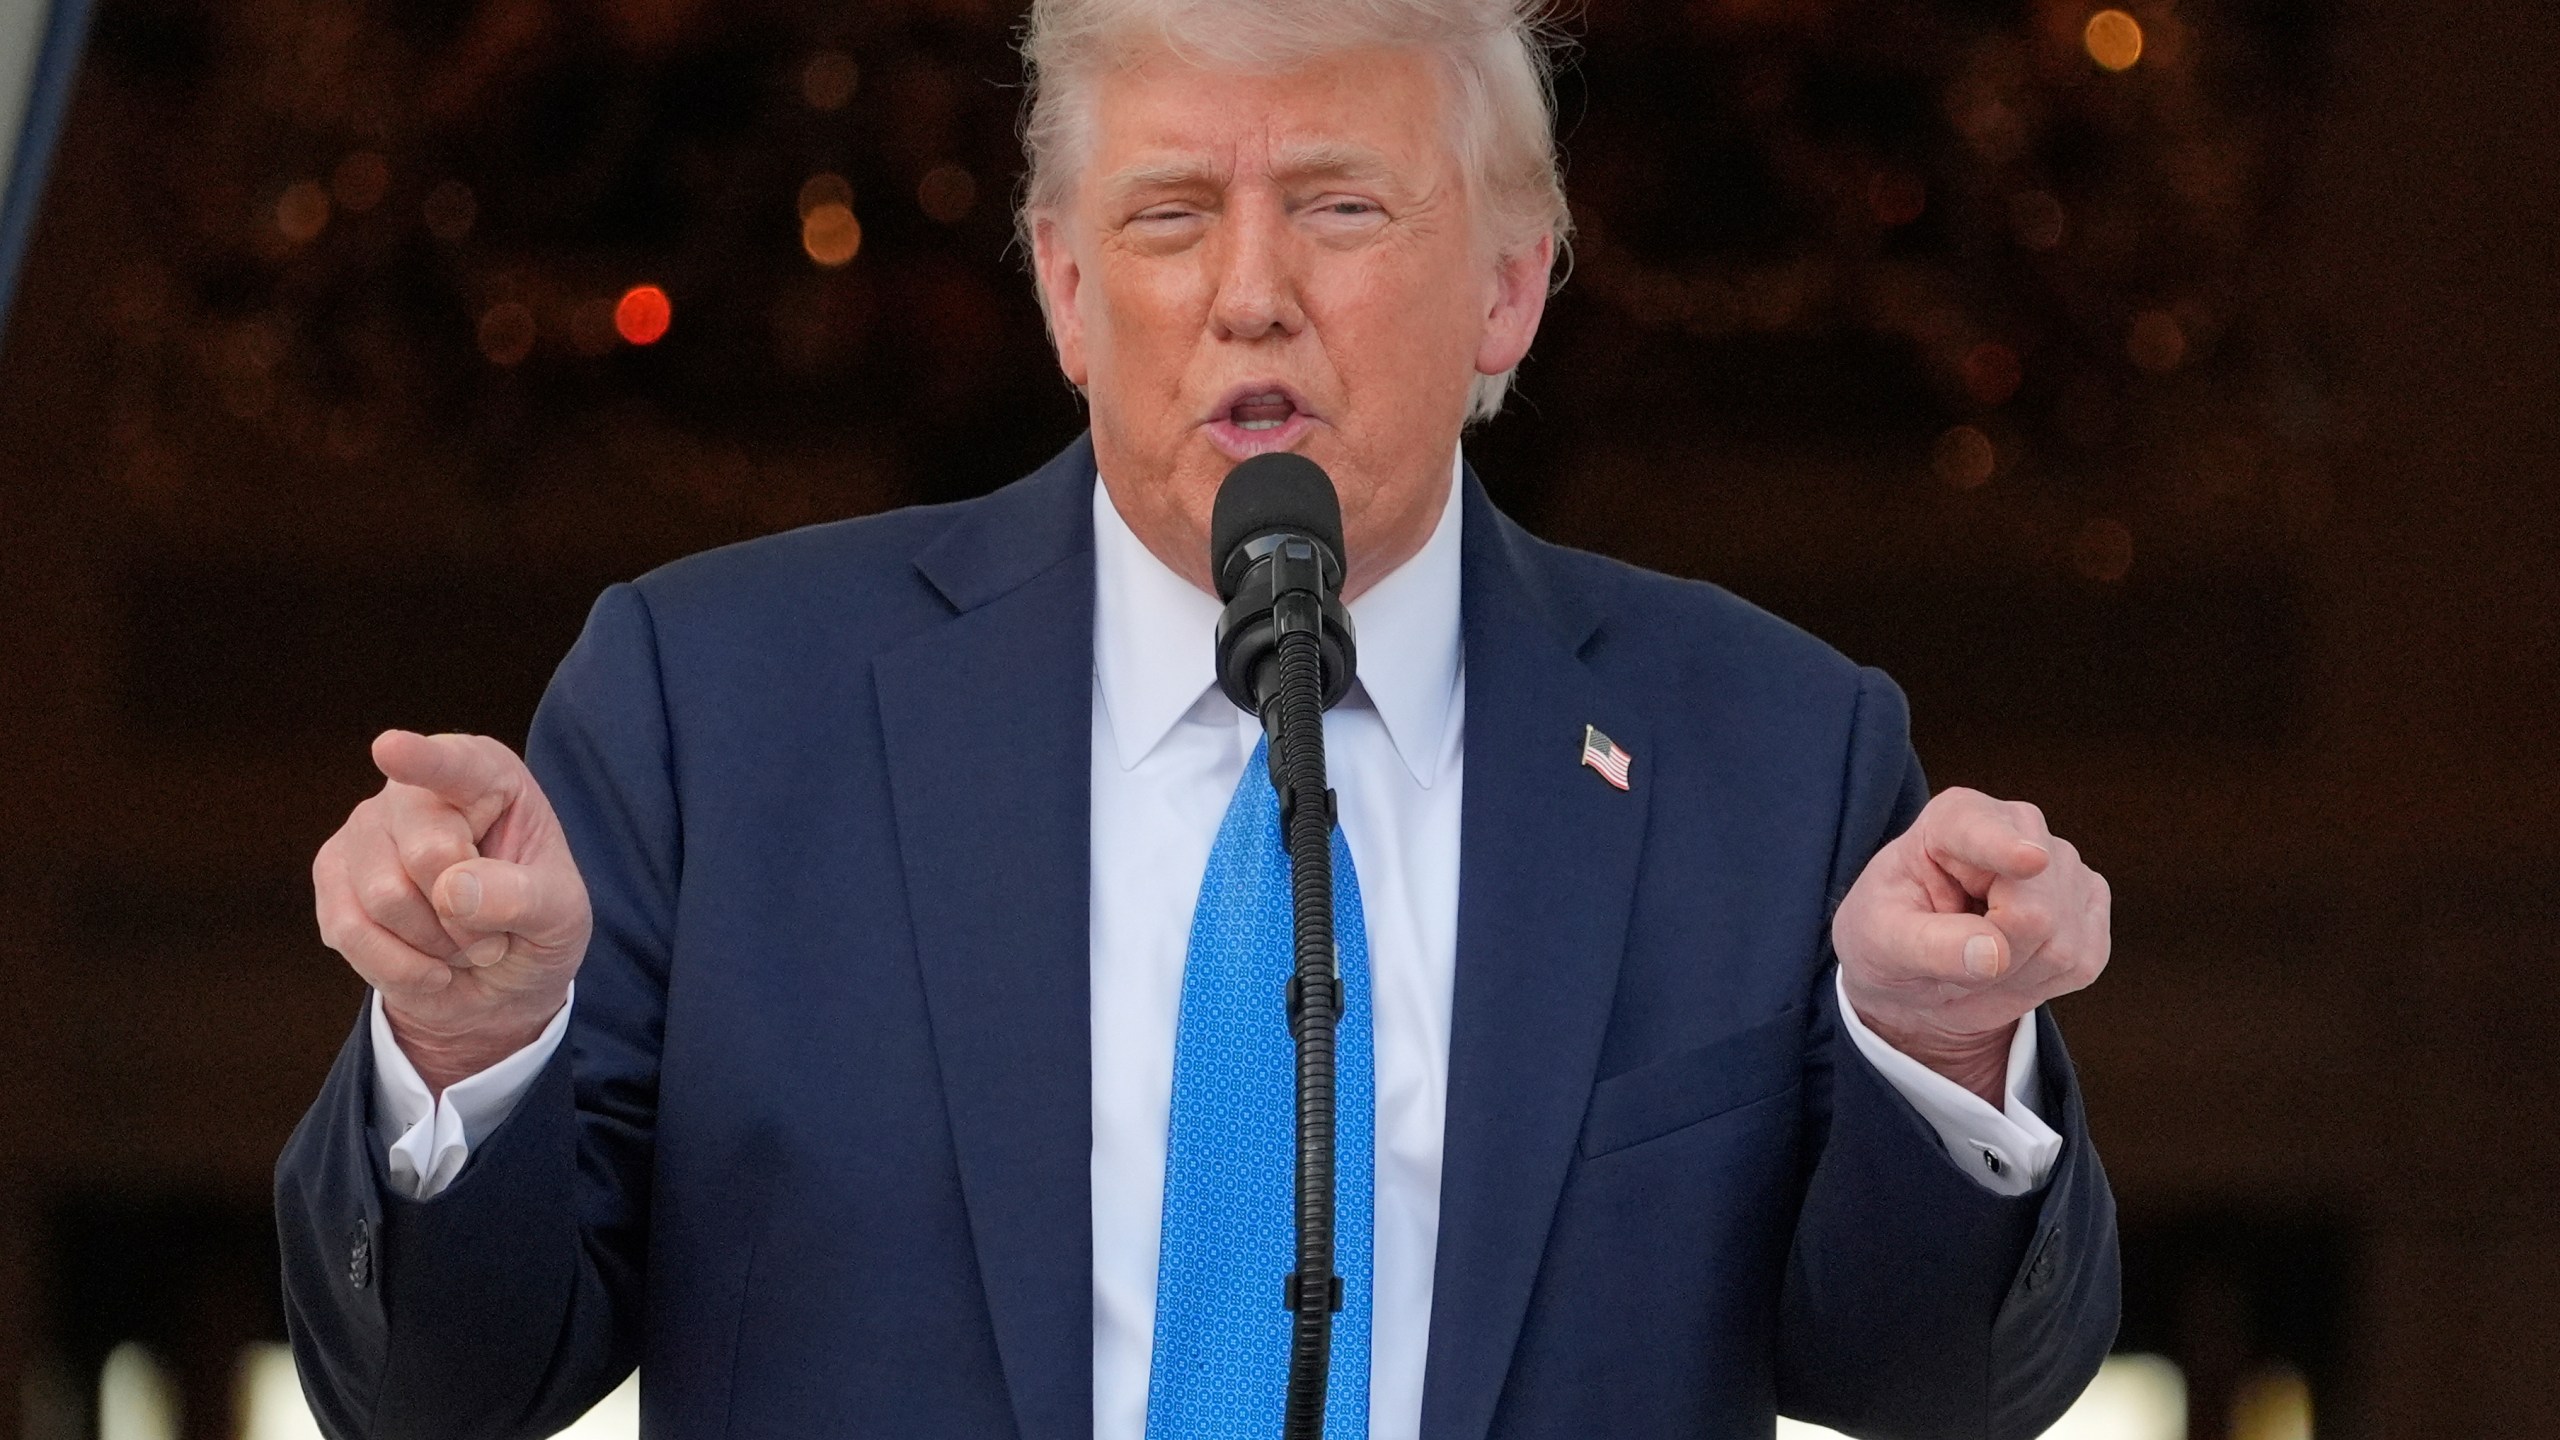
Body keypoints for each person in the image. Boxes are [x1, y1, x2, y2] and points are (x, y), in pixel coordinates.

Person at [279, 1, 2119, 1436]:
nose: (1252, 294)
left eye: (1339, 205)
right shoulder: (717, 706)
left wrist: (1941, 1062)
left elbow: (1938, 1389)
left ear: (1509, 284)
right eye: (1168, 217)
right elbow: (441, 1393)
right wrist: (469, 1047)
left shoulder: (1770, 752)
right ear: (1069, 294)